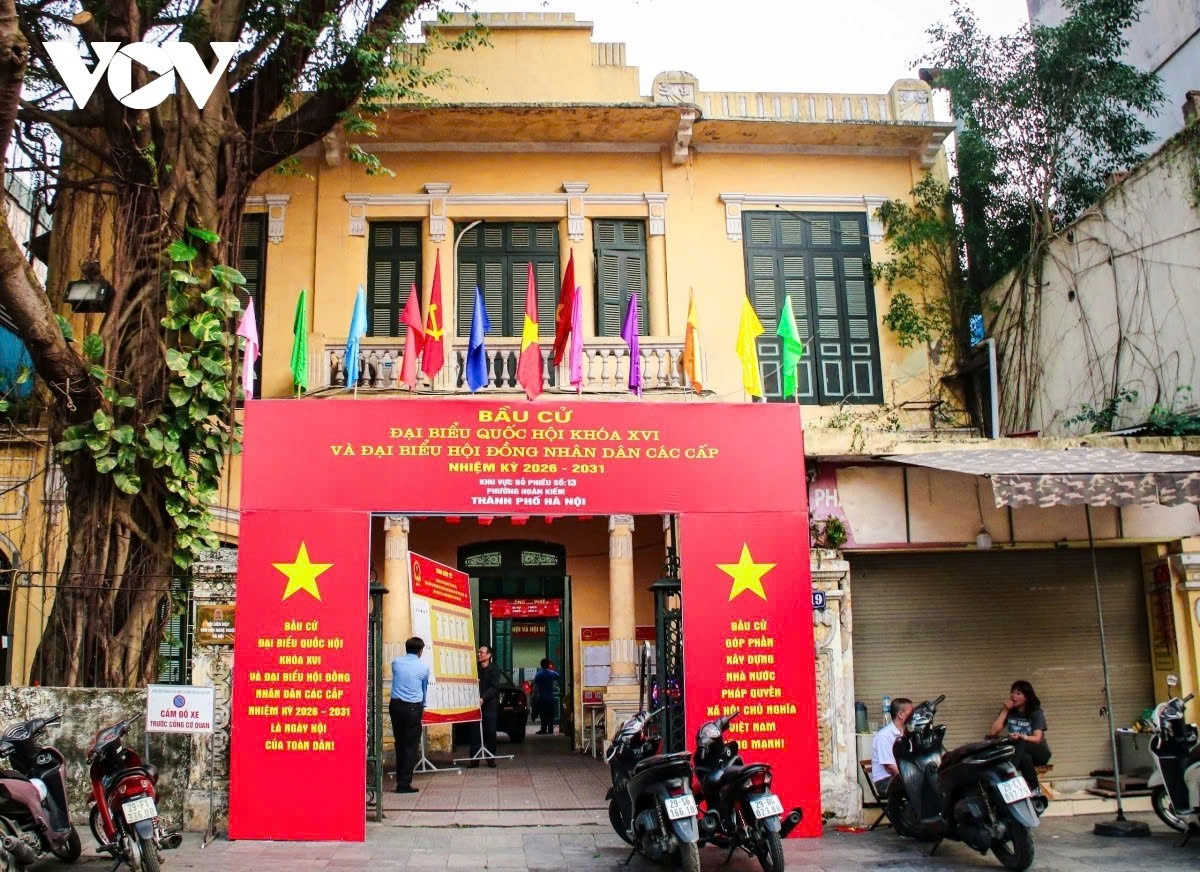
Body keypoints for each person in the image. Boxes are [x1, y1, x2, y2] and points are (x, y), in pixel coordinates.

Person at [989, 680, 1050, 792]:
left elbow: (1037, 739)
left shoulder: (1035, 712)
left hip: (1040, 752)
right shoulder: (1010, 711)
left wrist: (1022, 737)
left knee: (1020, 743)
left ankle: (1010, 771)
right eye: (1012, 692)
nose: (1013, 696)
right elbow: (993, 731)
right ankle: (1035, 789)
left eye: (1018, 693)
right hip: (1020, 752)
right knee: (1024, 757)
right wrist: (1005, 710)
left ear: (1027, 697)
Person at [389, 636, 429, 794]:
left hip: (396, 706)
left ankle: (400, 779)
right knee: (411, 745)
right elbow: (424, 689)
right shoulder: (423, 668)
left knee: (399, 742)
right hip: (413, 708)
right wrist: (423, 705)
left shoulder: (396, 663)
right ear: (420, 651)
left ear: (406, 649)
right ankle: (404, 783)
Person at [870, 697, 913, 794]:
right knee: (917, 787)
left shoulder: (905, 733)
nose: (913, 715)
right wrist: (909, 778)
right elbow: (890, 767)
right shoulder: (884, 735)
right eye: (911, 712)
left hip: (899, 777)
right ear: (901, 714)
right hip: (885, 781)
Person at [468, 644, 501, 768]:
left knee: (491, 731)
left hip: (489, 705)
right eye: (478, 652)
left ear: (488, 655)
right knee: (474, 732)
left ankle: (490, 758)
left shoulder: (494, 669)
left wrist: (483, 698)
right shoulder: (474, 668)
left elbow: (495, 688)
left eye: (481, 652)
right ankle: (474, 759)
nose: (479, 654)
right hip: (475, 704)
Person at [533, 658, 561, 735]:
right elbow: (559, 677)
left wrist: (534, 697)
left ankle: (543, 729)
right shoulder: (552, 673)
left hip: (541, 698)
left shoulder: (538, 674)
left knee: (543, 714)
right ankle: (550, 729)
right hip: (550, 697)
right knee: (550, 714)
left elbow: (535, 688)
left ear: (541, 665)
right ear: (548, 665)